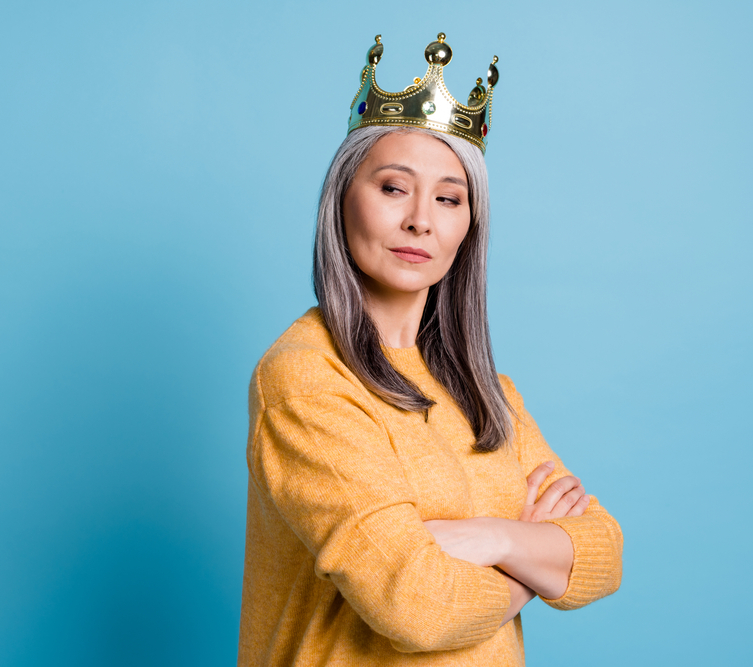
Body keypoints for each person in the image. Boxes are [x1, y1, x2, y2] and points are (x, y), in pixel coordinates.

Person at [237, 33, 623, 666]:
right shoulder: (306, 379)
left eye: (449, 198)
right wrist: (534, 553)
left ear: (469, 227)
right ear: (341, 201)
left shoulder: (487, 393)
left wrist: (487, 538)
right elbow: (418, 604)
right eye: (394, 188)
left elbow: (603, 552)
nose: (422, 219)